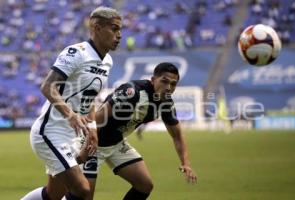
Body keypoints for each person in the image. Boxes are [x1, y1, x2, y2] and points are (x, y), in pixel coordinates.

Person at [21, 6, 122, 200]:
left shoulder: (107, 61)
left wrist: (92, 128)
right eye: (114, 29)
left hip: (70, 137)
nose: (119, 35)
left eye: (120, 30)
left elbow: (89, 97)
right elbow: (47, 87)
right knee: (83, 190)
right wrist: (71, 114)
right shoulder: (76, 52)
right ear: (97, 28)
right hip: (50, 133)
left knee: (54, 194)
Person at [83, 62, 197, 199]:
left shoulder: (166, 103)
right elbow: (98, 117)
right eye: (164, 81)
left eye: (173, 84)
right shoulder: (132, 92)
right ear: (153, 80)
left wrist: (185, 163)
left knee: (144, 185)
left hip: (117, 144)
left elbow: (177, 135)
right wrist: (86, 143)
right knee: (83, 194)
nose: (168, 88)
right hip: (93, 143)